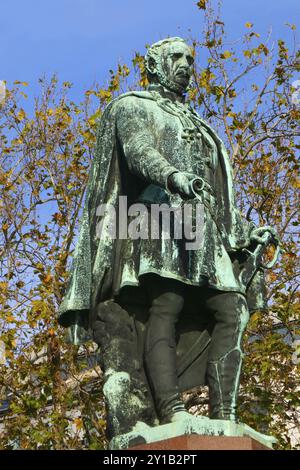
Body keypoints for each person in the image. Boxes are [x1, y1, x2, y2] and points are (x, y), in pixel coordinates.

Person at [58, 37, 278, 434]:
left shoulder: (201, 124)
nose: (185, 64)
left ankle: (225, 417)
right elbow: (139, 151)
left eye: (190, 59)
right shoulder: (132, 105)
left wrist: (245, 232)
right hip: (157, 214)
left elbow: (218, 193)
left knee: (233, 308)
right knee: (167, 302)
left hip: (205, 227)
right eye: (175, 57)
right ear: (154, 65)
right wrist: (174, 177)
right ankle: (172, 409)